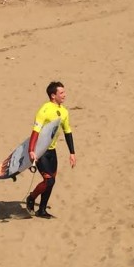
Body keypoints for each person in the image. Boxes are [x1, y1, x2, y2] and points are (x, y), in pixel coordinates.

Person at [26, 81, 76, 219]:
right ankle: (31, 198)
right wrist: (31, 150)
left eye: (64, 92)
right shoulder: (44, 110)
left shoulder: (64, 112)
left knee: (51, 181)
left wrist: (72, 153)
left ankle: (41, 210)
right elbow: (35, 131)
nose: (64, 95)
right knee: (49, 181)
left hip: (52, 151)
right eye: (62, 93)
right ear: (53, 95)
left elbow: (68, 132)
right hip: (40, 150)